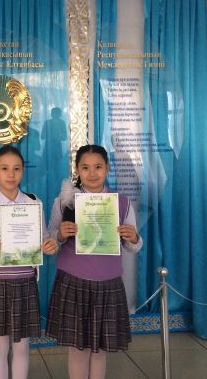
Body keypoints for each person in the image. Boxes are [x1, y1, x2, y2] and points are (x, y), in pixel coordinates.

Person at [46, 144, 142, 379]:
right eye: (85, 167)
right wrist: (60, 234)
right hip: (73, 282)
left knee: (99, 350)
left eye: (98, 167)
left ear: (107, 168)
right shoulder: (64, 202)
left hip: (108, 283)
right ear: (77, 170)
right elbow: (49, 242)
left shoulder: (122, 203)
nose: (92, 173)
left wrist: (133, 237)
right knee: (78, 350)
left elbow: (134, 246)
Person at [0, 145, 58, 379]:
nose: (10, 174)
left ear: (23, 171)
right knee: (0, 348)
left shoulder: (34, 202)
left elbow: (45, 239)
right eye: (4, 169)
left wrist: (50, 246)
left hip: (25, 283)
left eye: (16, 169)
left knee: (22, 347)